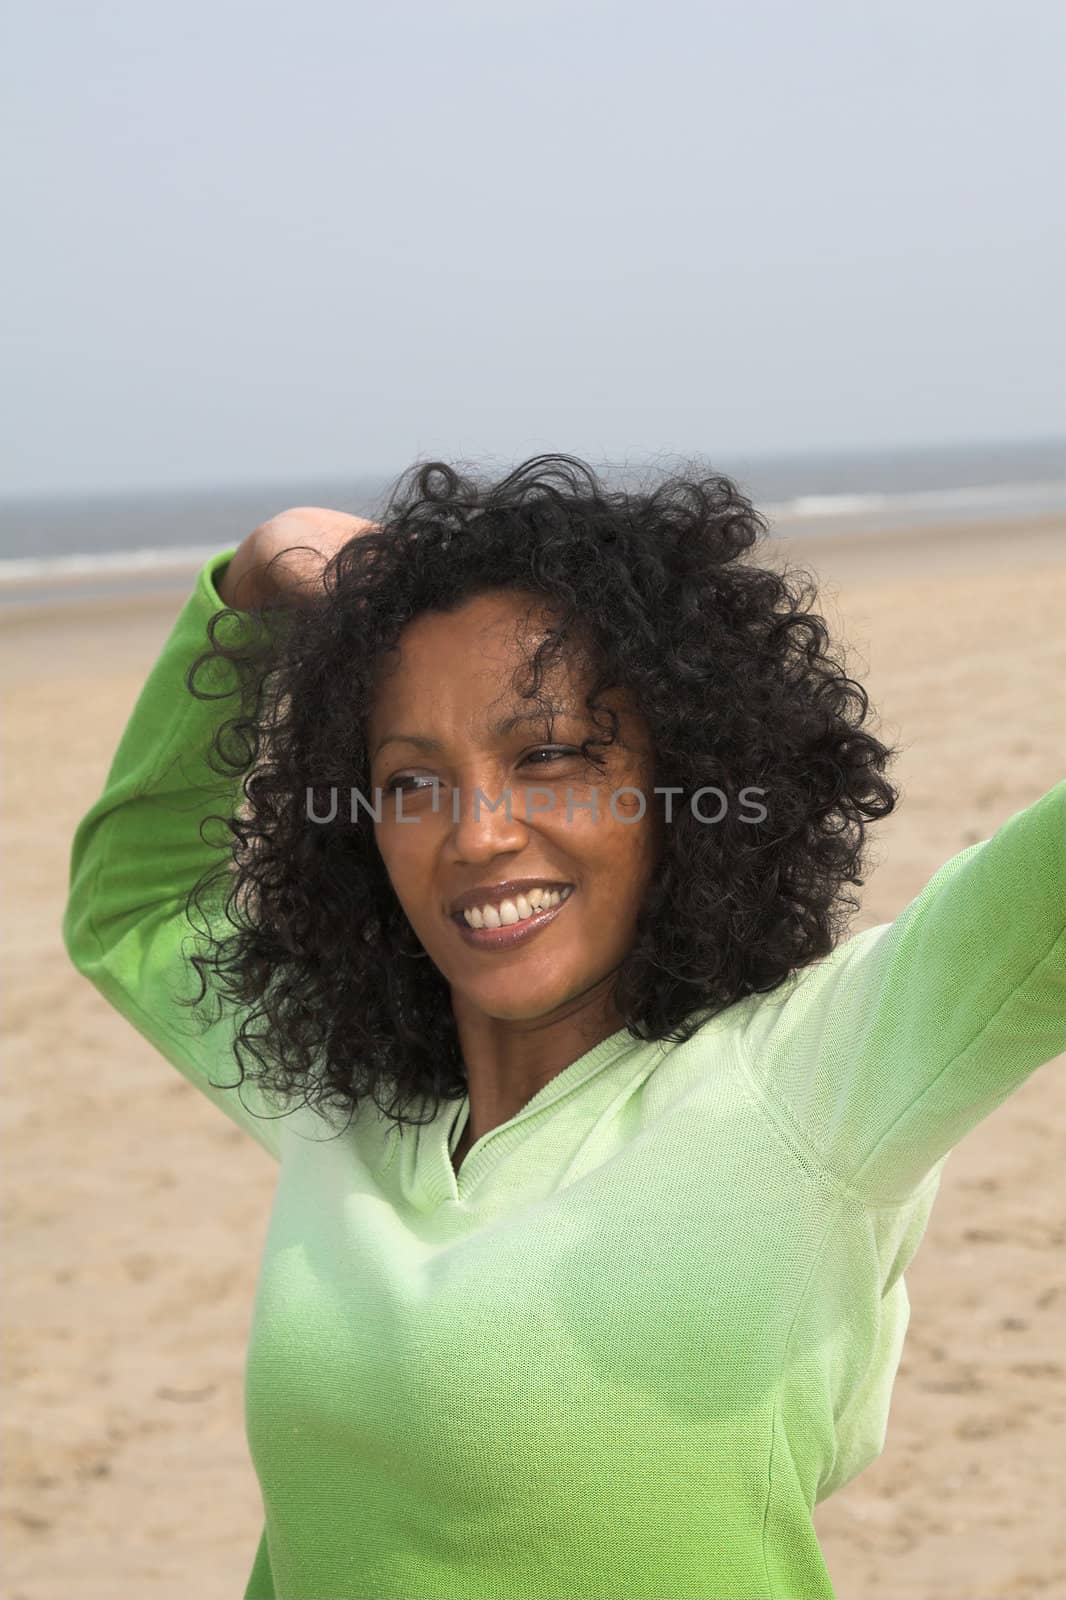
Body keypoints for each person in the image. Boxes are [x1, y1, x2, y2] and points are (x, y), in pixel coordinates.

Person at [62, 454, 1066, 1600]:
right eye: (410, 780)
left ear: (684, 771)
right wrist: (249, 590)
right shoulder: (339, 1095)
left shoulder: (810, 1076)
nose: (478, 833)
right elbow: (134, 908)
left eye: (550, 754)